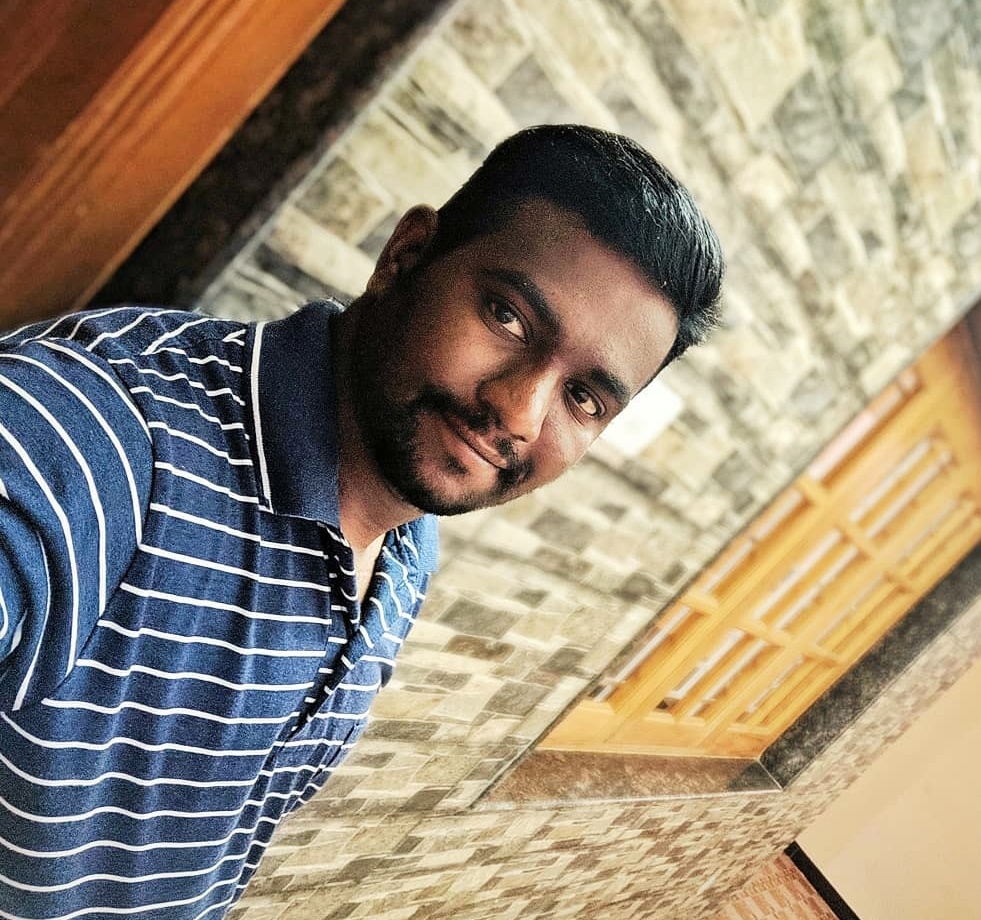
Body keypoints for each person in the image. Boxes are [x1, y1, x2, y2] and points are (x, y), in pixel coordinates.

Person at [0, 124, 724, 918]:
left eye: (583, 398)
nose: (519, 413)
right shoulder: (91, 437)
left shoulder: (407, 546)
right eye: (508, 317)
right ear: (405, 255)